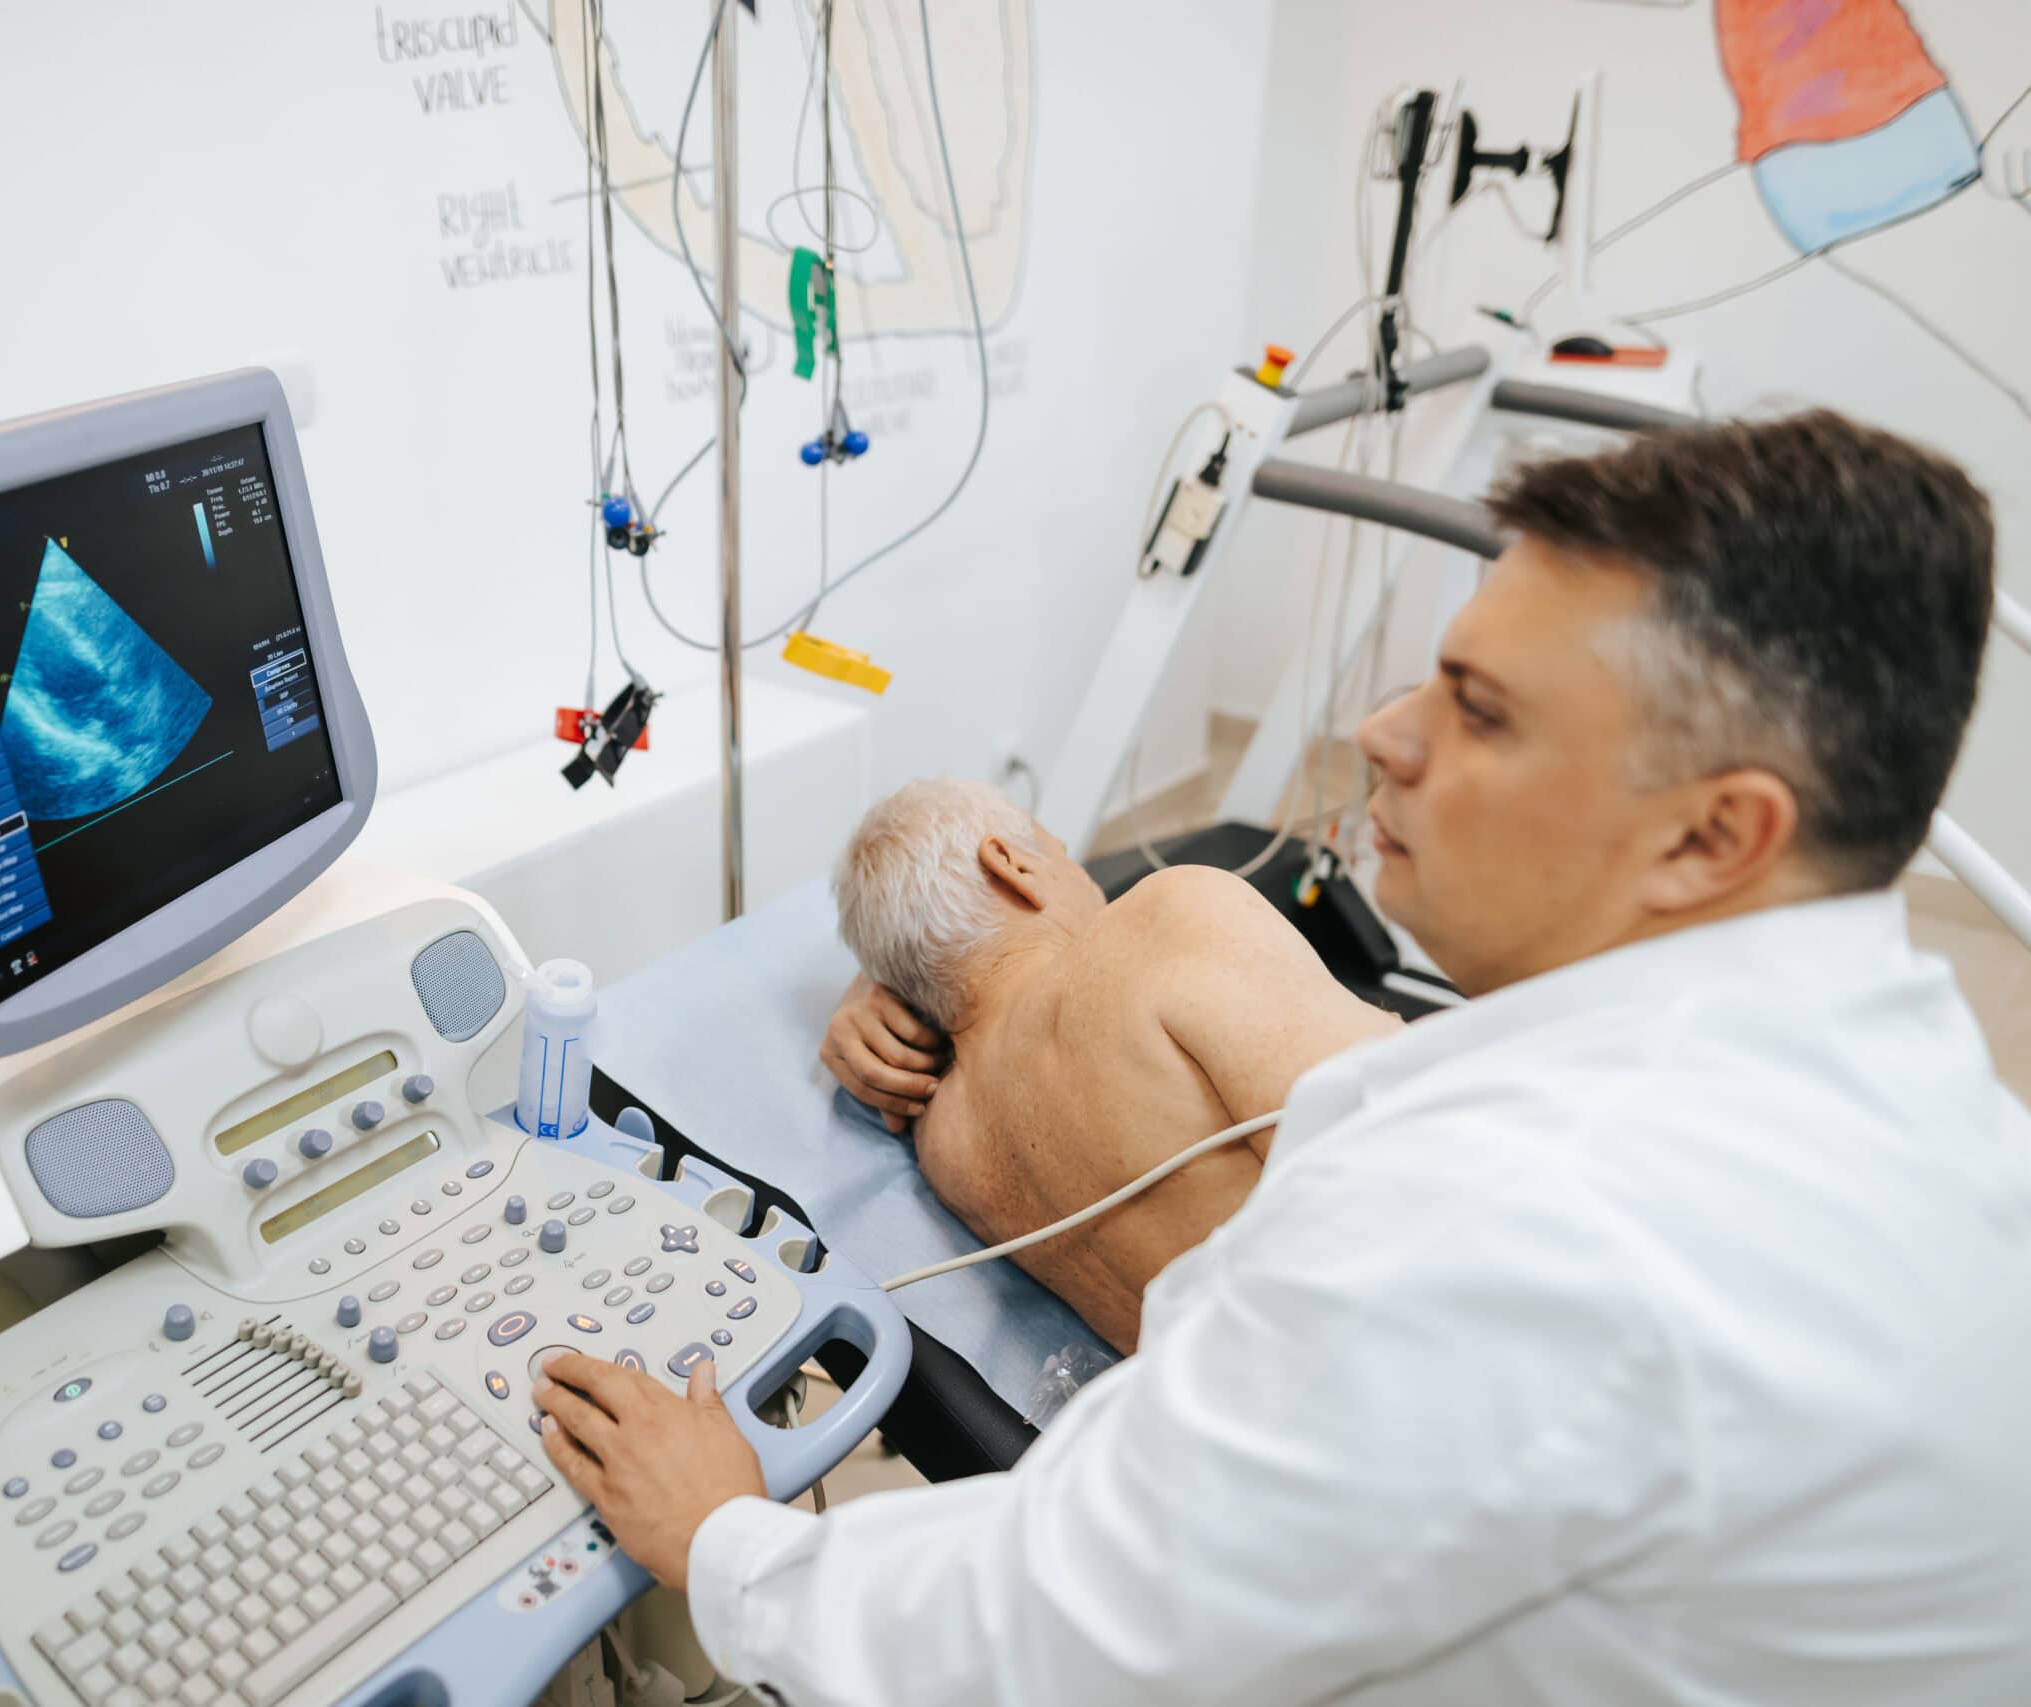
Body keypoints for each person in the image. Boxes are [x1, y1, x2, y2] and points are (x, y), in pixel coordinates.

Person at [528, 410, 2031, 1703]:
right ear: (1022, 863)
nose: (1384, 730)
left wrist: (732, 1536)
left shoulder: (1491, 1221)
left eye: (1479, 706)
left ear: (1716, 831)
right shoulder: (1907, 1095)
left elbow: (1060, 1635)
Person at [829, 776, 1399, 1351]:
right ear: (1011, 866)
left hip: (1248, 1417)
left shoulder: (942, 1141)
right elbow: (1413, 1148)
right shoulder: (1168, 921)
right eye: (1062, 853)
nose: (1086, 876)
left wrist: (886, 978)